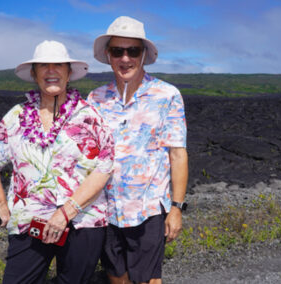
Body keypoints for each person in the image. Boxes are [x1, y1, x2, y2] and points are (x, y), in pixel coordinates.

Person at [0, 40, 115, 283]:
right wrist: (1, 204)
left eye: (58, 65)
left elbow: (104, 167)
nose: (51, 71)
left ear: (68, 73)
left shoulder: (90, 116)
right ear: (34, 74)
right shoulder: (16, 116)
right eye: (43, 65)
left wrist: (67, 211)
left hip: (83, 221)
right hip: (29, 222)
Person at [88, 16, 188, 284]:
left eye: (133, 50)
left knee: (148, 280)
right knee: (116, 276)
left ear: (143, 55)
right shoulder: (95, 99)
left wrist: (176, 208)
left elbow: (177, 154)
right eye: (117, 51)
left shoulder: (167, 95)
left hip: (148, 209)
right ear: (108, 55)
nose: (125, 58)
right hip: (105, 208)